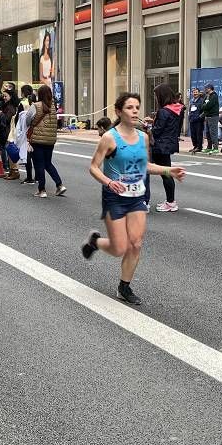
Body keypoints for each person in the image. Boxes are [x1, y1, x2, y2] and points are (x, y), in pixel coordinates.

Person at [82, 92, 187, 305]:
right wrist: (109, 182)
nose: (135, 111)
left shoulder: (143, 137)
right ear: (119, 112)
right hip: (115, 197)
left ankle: (124, 287)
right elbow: (93, 167)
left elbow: (145, 166)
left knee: (136, 244)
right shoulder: (109, 138)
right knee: (119, 247)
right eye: (130, 107)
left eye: (137, 107)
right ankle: (96, 242)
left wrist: (169, 171)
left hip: (137, 197)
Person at [147, 84, 183, 212]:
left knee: (165, 173)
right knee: (167, 172)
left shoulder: (163, 111)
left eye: (156, 96)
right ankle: (170, 201)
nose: (156, 98)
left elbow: (157, 131)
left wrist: (148, 127)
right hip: (169, 143)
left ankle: (171, 202)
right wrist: (153, 122)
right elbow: (168, 126)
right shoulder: (176, 109)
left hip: (161, 145)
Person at [28, 85, 66, 198]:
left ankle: (42, 190)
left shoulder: (36, 105)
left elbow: (28, 119)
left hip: (37, 139)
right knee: (48, 163)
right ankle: (59, 185)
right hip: (50, 140)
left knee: (39, 164)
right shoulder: (53, 106)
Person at [0, 90, 18, 180]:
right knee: (3, 148)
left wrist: (0, 114)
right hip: (3, 130)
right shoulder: (5, 105)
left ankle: (7, 167)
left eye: (6, 96)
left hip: (6, 131)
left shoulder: (11, 106)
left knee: (5, 148)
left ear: (11, 96)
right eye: (3, 96)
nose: (4, 98)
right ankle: (9, 168)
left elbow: (8, 119)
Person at [201, 84, 220, 153]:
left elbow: (209, 105)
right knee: (208, 133)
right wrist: (204, 106)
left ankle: (215, 148)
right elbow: (202, 105)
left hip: (213, 116)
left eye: (206, 88)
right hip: (207, 116)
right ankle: (209, 147)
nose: (205, 89)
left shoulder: (214, 96)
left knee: (213, 133)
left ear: (210, 88)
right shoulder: (207, 96)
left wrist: (204, 106)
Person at [188, 87, 205, 153]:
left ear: (199, 93)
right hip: (192, 120)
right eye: (194, 92)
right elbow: (190, 110)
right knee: (193, 134)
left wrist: (200, 117)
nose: (195, 93)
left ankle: (199, 147)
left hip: (198, 121)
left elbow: (204, 111)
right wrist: (189, 117)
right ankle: (195, 146)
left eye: (196, 92)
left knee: (199, 134)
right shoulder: (191, 101)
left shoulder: (201, 100)